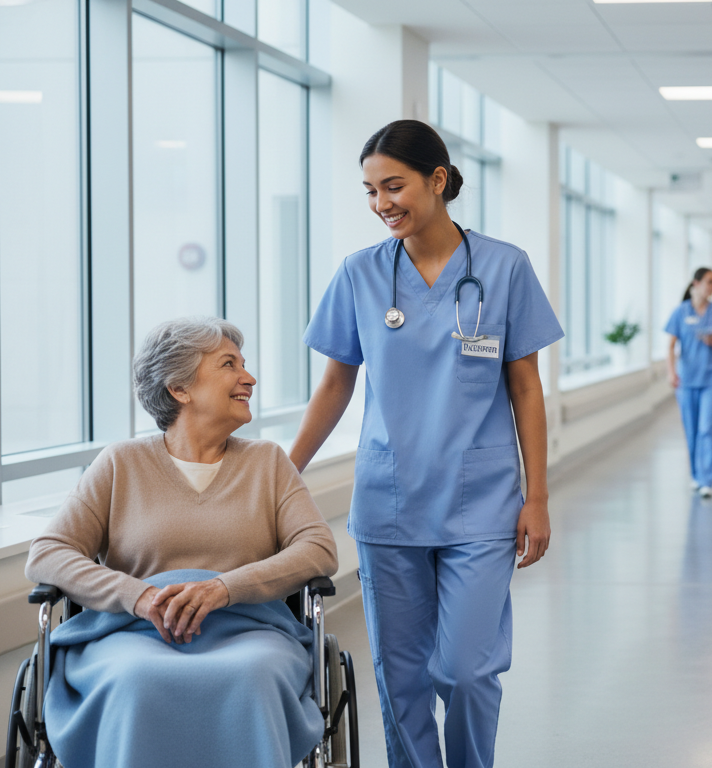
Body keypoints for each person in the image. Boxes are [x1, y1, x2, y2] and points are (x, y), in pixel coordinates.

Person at [291, 119, 563, 768]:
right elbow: (335, 385)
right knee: (402, 677)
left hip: (483, 501)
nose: (382, 203)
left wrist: (539, 497)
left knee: (467, 671)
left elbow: (526, 389)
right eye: (369, 191)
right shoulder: (360, 275)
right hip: (390, 502)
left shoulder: (504, 267)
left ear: (437, 181)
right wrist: (281, 470)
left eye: (394, 185)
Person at [25, 317, 339, 768]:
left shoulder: (267, 462)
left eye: (245, 365)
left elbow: (317, 548)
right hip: (131, 632)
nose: (248, 378)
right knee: (135, 678)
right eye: (229, 365)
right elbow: (48, 553)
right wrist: (140, 596)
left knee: (252, 676)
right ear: (179, 389)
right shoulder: (121, 464)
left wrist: (223, 588)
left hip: (248, 628)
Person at [665, 267, 712, 499]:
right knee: (692, 430)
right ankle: (696, 475)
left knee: (707, 428)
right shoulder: (680, 312)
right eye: (709, 282)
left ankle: (706, 479)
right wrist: (671, 373)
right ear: (695, 284)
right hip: (687, 381)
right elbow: (670, 345)